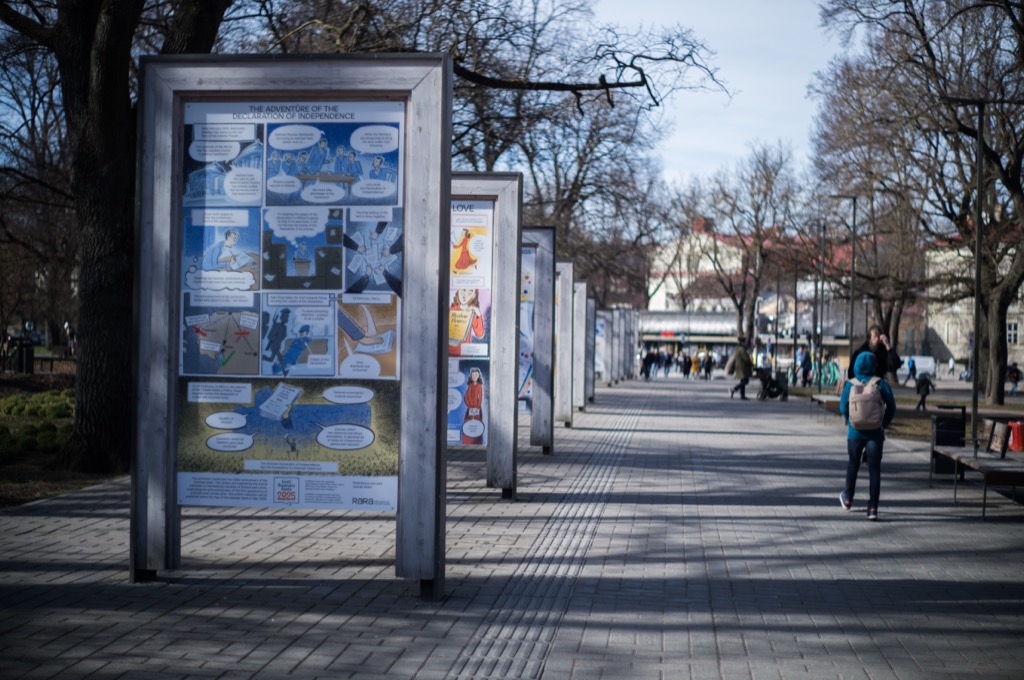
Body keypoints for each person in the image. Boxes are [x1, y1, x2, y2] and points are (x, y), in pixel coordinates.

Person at [839, 352, 897, 521]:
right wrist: (883, 422)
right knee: (874, 469)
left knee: (853, 464)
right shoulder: (880, 383)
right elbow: (892, 406)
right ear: (873, 366)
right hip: (875, 433)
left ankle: (848, 497)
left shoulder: (850, 384)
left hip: (855, 432)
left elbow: (843, 407)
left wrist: (851, 421)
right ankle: (872, 508)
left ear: (856, 365)